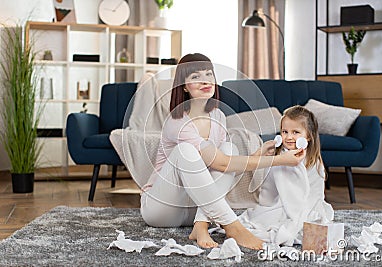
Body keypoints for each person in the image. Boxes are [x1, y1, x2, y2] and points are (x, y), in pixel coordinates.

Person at [140, 53, 306, 250]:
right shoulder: (177, 123)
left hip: (195, 207)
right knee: (185, 150)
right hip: (161, 208)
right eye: (195, 77)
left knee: (229, 148)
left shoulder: (218, 116)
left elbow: (224, 163)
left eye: (209, 74)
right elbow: (221, 163)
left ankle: (200, 225)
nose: (205, 81)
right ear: (183, 86)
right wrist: (280, 161)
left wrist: (257, 155)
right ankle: (233, 227)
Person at [239, 105, 334, 246]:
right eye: (285, 132)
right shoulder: (280, 156)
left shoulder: (313, 160)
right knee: (263, 215)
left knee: (294, 218)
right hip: (278, 201)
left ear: (308, 136)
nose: (289, 137)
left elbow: (311, 192)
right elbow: (271, 186)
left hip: (304, 203)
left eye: (295, 132)